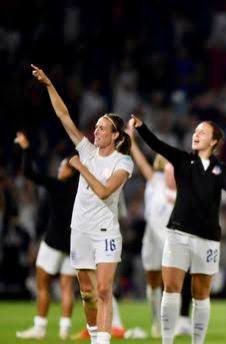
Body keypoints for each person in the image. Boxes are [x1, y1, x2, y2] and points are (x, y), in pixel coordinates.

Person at [32, 64, 134, 344]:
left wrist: (81, 168)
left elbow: (103, 192)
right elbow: (63, 116)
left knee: (103, 289)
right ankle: (94, 335)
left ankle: (102, 341)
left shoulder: (123, 162)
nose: (96, 130)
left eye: (103, 128)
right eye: (97, 126)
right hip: (79, 231)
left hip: (105, 234)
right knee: (87, 293)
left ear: (115, 135)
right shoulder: (87, 150)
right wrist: (50, 85)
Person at [130, 114, 226, 344]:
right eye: (195, 132)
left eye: (202, 132)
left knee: (201, 293)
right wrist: (142, 128)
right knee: (171, 288)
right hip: (178, 233)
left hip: (208, 238)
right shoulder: (182, 160)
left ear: (214, 141)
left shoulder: (220, 168)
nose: (196, 135)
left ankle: (197, 342)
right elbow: (157, 145)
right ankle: (167, 340)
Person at [14, 132, 78, 340]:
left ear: (70, 170)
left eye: (62, 166)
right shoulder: (82, 191)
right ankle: (64, 329)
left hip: (52, 242)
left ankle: (40, 327)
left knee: (43, 284)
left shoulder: (57, 185)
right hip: (72, 245)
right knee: (67, 287)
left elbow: (29, 173)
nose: (59, 169)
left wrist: (25, 148)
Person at [126, 123, 176, 338]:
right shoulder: (154, 181)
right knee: (153, 281)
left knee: (170, 284)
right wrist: (132, 140)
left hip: (169, 238)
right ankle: (156, 320)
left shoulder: (177, 186)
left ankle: (169, 323)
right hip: (151, 237)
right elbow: (141, 161)